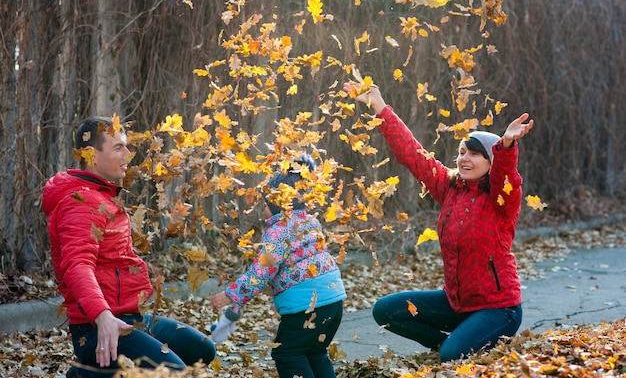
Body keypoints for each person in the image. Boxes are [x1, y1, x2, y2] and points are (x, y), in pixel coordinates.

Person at [343, 82, 534, 362]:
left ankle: (464, 343)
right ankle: (458, 341)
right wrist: (381, 108)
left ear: (490, 162)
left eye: (474, 154)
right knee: (386, 311)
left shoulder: (502, 200)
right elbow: (413, 155)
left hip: (498, 309)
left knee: (452, 356)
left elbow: (507, 175)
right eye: (461, 152)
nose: (464, 159)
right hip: (456, 304)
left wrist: (505, 145)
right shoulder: (450, 187)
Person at [42, 117, 216, 377]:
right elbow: (77, 265)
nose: (128, 154)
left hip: (130, 318)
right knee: (172, 372)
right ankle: (85, 374)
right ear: (91, 155)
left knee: (203, 350)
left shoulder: (103, 196)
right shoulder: (79, 202)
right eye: (118, 148)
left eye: (126, 146)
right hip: (97, 327)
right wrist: (102, 317)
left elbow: (114, 258)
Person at [209, 153, 347, 378]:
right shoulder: (311, 222)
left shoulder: (277, 232)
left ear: (275, 204)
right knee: (315, 351)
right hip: (333, 301)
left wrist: (231, 296)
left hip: (306, 308)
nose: (263, 208)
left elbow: (261, 272)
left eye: (265, 203)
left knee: (288, 354)